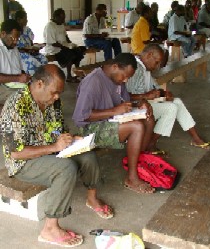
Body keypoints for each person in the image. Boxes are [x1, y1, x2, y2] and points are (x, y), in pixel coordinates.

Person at [0, 64, 113, 247]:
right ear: (39, 84)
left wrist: (71, 139)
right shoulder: (16, 106)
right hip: (23, 162)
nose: (57, 97)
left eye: (59, 93)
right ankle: (50, 229)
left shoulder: (52, 101)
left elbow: (59, 129)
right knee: (65, 169)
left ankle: (92, 199)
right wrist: (54, 146)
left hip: (52, 150)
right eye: (54, 92)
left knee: (87, 156)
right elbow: (16, 152)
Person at [72, 53, 155, 194]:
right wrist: (113, 111)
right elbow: (81, 116)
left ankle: (139, 162)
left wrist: (141, 103)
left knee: (147, 119)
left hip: (110, 121)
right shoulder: (93, 82)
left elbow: (124, 102)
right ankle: (132, 178)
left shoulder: (117, 80)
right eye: (124, 76)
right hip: (90, 129)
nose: (125, 80)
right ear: (115, 67)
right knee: (137, 127)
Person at [126, 44, 210, 150]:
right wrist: (146, 95)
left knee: (177, 102)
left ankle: (195, 138)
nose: (157, 66)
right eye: (156, 62)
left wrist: (164, 93)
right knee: (171, 108)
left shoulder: (144, 67)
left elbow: (154, 86)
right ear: (149, 55)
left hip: (146, 102)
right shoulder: (135, 67)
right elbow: (125, 96)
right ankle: (151, 144)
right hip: (135, 107)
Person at [43, 8, 86, 83]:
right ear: (56, 17)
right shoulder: (50, 26)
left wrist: (72, 44)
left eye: (64, 18)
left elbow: (66, 36)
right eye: (62, 18)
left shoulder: (61, 24)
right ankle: (69, 76)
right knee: (69, 54)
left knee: (80, 50)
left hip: (63, 46)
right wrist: (65, 47)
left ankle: (77, 71)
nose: (63, 20)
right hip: (54, 49)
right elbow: (52, 42)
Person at [0, 19, 30, 105]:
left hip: (16, 84)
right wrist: (18, 78)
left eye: (18, 39)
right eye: (13, 38)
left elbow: (19, 69)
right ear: (3, 34)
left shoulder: (14, 48)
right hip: (3, 87)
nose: (16, 42)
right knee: (28, 100)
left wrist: (25, 76)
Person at [15, 10, 48, 75]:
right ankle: (33, 80)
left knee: (44, 59)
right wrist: (25, 50)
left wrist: (35, 48)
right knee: (33, 62)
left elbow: (31, 42)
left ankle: (41, 78)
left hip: (30, 52)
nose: (26, 20)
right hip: (20, 54)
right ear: (18, 19)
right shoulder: (14, 31)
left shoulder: (27, 30)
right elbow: (15, 48)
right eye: (25, 19)